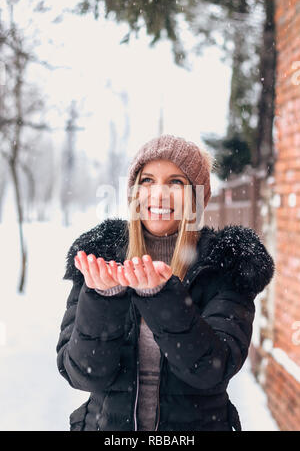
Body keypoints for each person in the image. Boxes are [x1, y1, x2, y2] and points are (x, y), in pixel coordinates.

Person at [56, 134, 275, 431]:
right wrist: (103, 298)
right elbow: (82, 374)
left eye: (176, 182)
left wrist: (160, 296)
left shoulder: (223, 266)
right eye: (147, 180)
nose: (158, 194)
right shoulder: (102, 257)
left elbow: (212, 370)